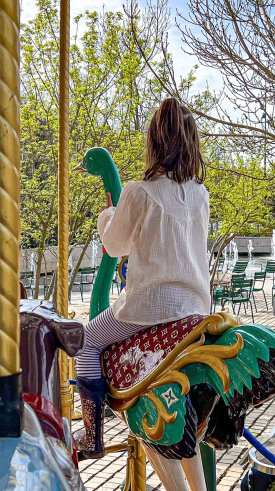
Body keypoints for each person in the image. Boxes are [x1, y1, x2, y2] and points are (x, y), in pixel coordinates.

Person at [74, 98, 211, 460]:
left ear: (154, 142)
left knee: (86, 342)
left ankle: (91, 435)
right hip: (196, 308)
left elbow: (115, 246)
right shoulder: (200, 194)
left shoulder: (139, 191)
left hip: (149, 307)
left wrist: (107, 216)